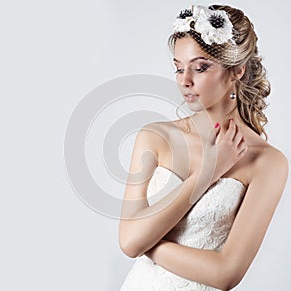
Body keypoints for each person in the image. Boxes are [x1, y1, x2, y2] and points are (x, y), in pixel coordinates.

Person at [118, 4, 288, 291]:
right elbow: (128, 241)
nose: (185, 81)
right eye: (178, 68)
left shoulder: (267, 163)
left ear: (236, 70)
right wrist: (210, 170)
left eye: (200, 67)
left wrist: (147, 242)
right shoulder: (155, 137)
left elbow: (226, 274)